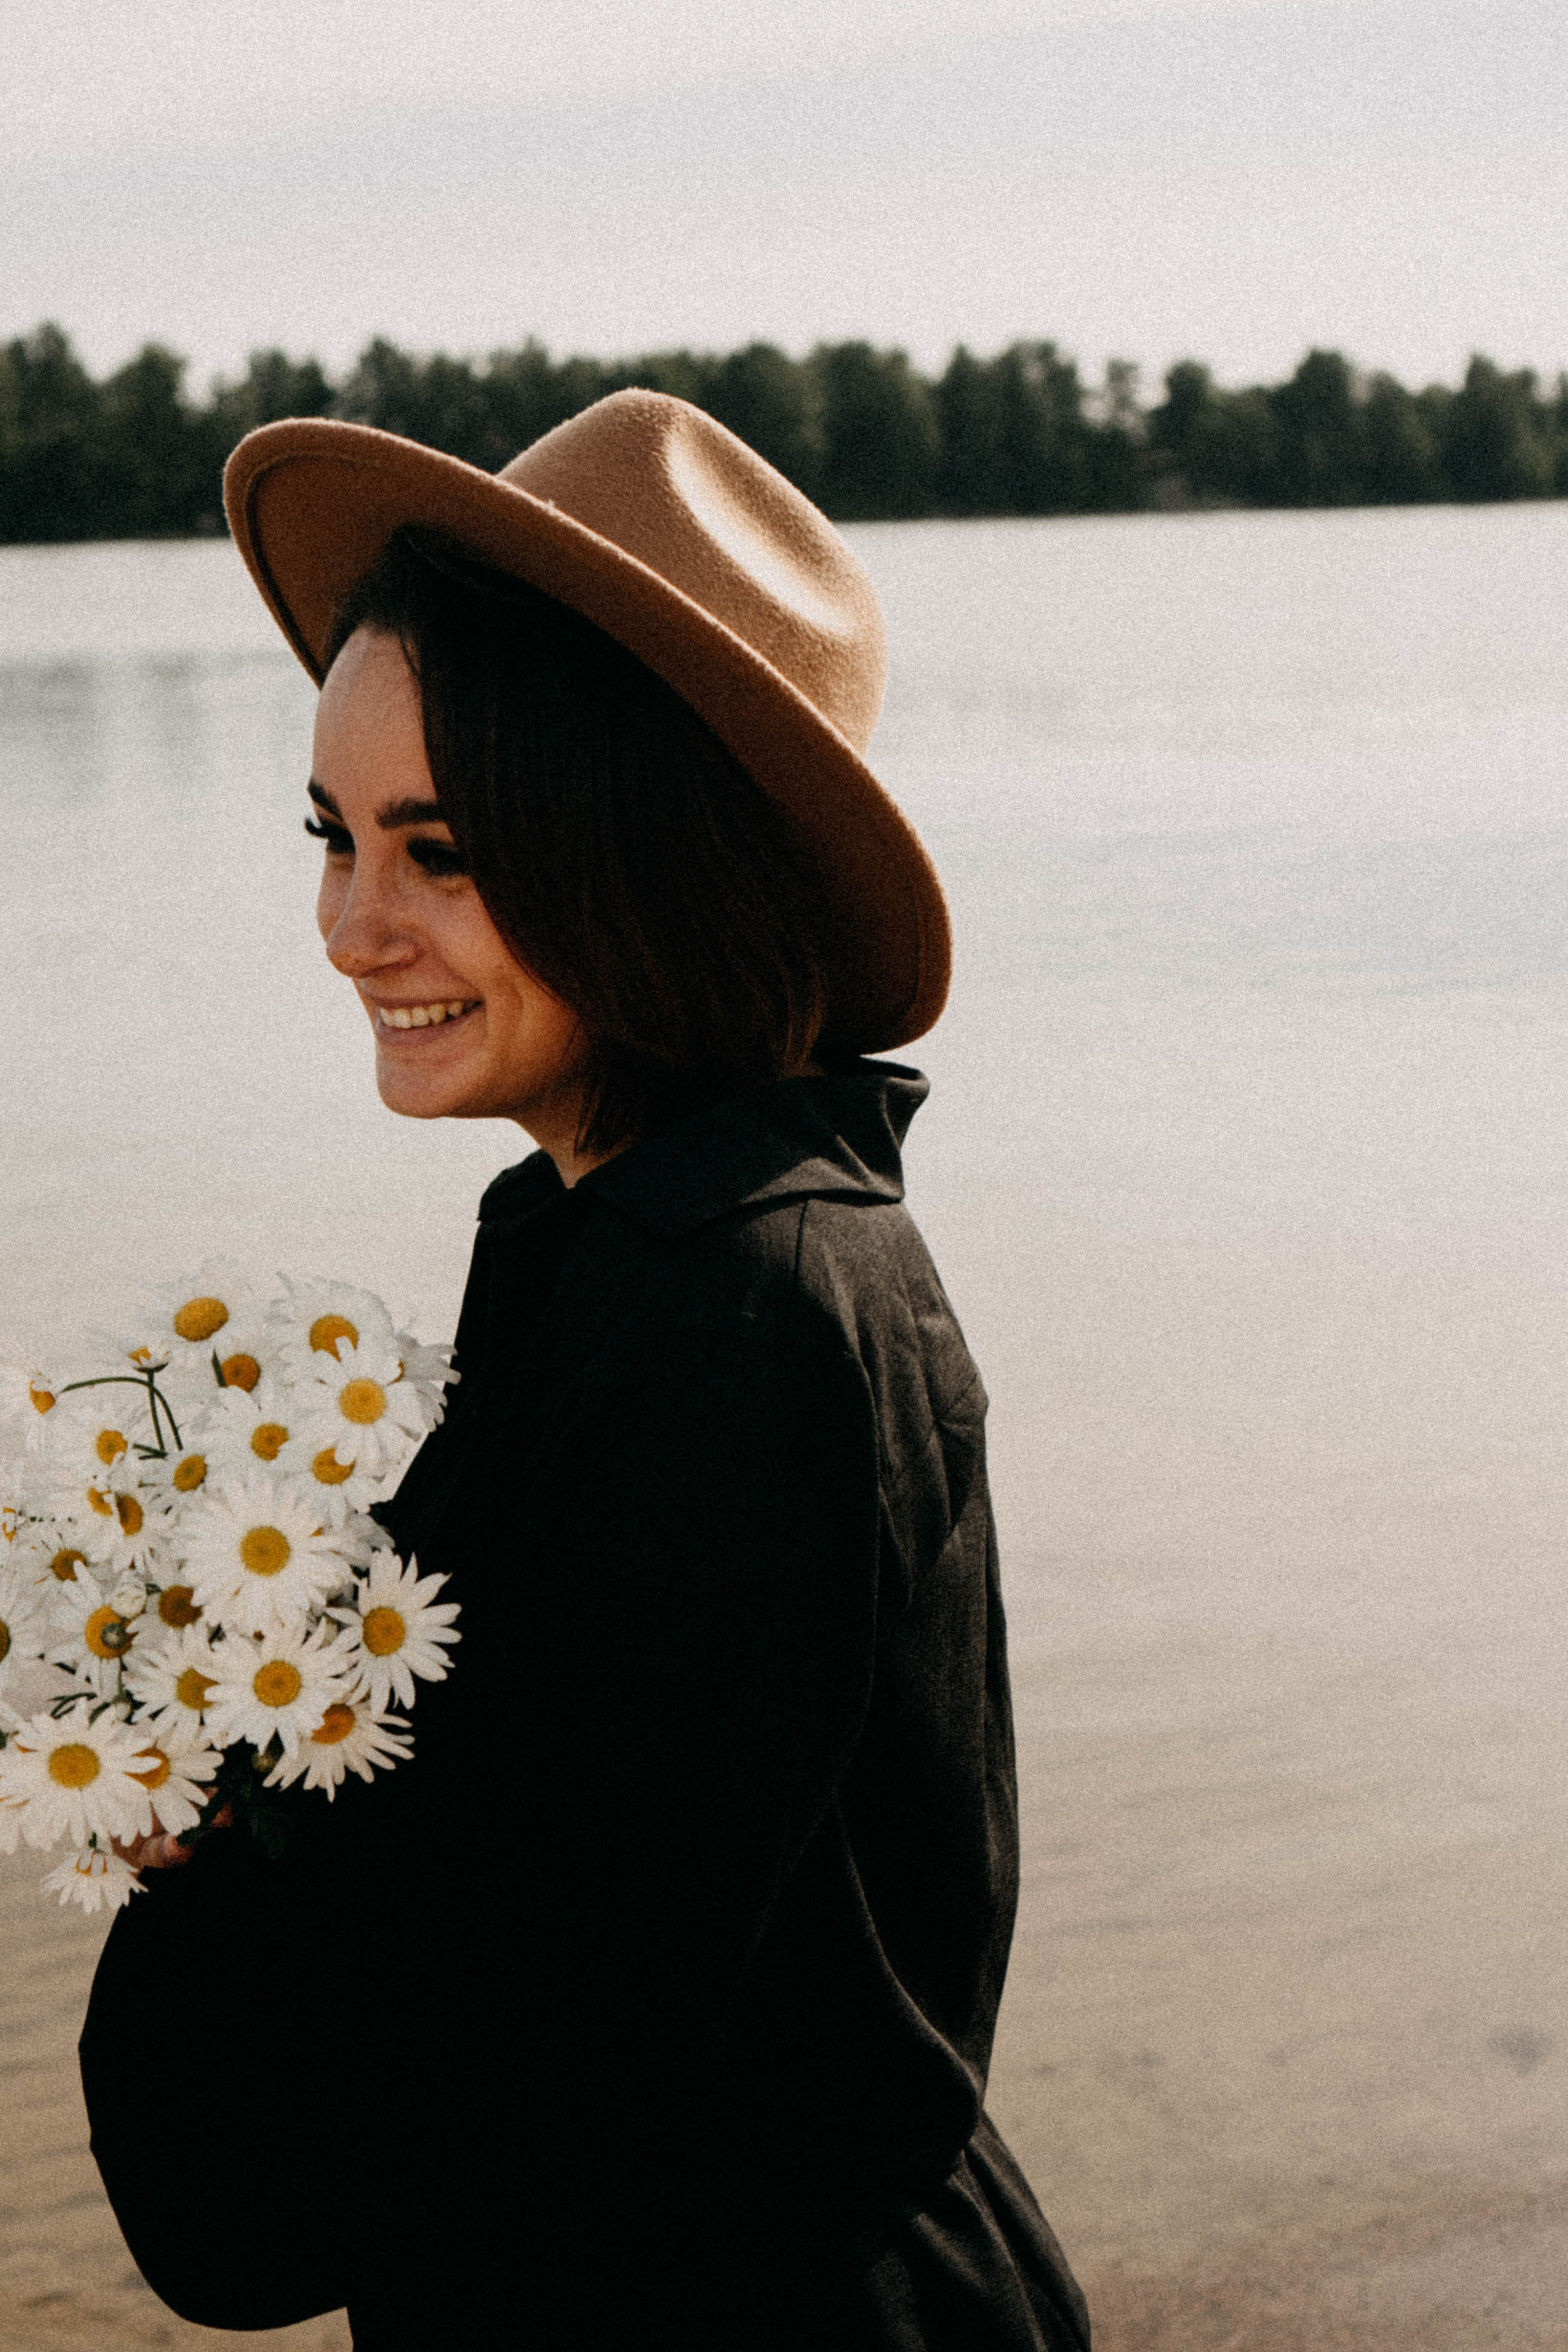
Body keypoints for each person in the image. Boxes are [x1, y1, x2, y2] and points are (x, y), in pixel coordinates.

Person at [80, 391, 1090, 2351]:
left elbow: (435, 2117)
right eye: (334, 837)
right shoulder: (690, 1250)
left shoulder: (736, 1319)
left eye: (442, 852)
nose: (350, 930)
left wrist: (212, 1863)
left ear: (652, 853)